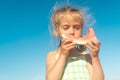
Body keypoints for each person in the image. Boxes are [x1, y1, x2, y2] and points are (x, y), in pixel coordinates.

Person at [46, 6, 104, 80]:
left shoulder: (86, 56)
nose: (72, 32)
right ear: (56, 31)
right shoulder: (52, 56)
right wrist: (63, 55)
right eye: (66, 28)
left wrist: (95, 57)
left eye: (77, 28)